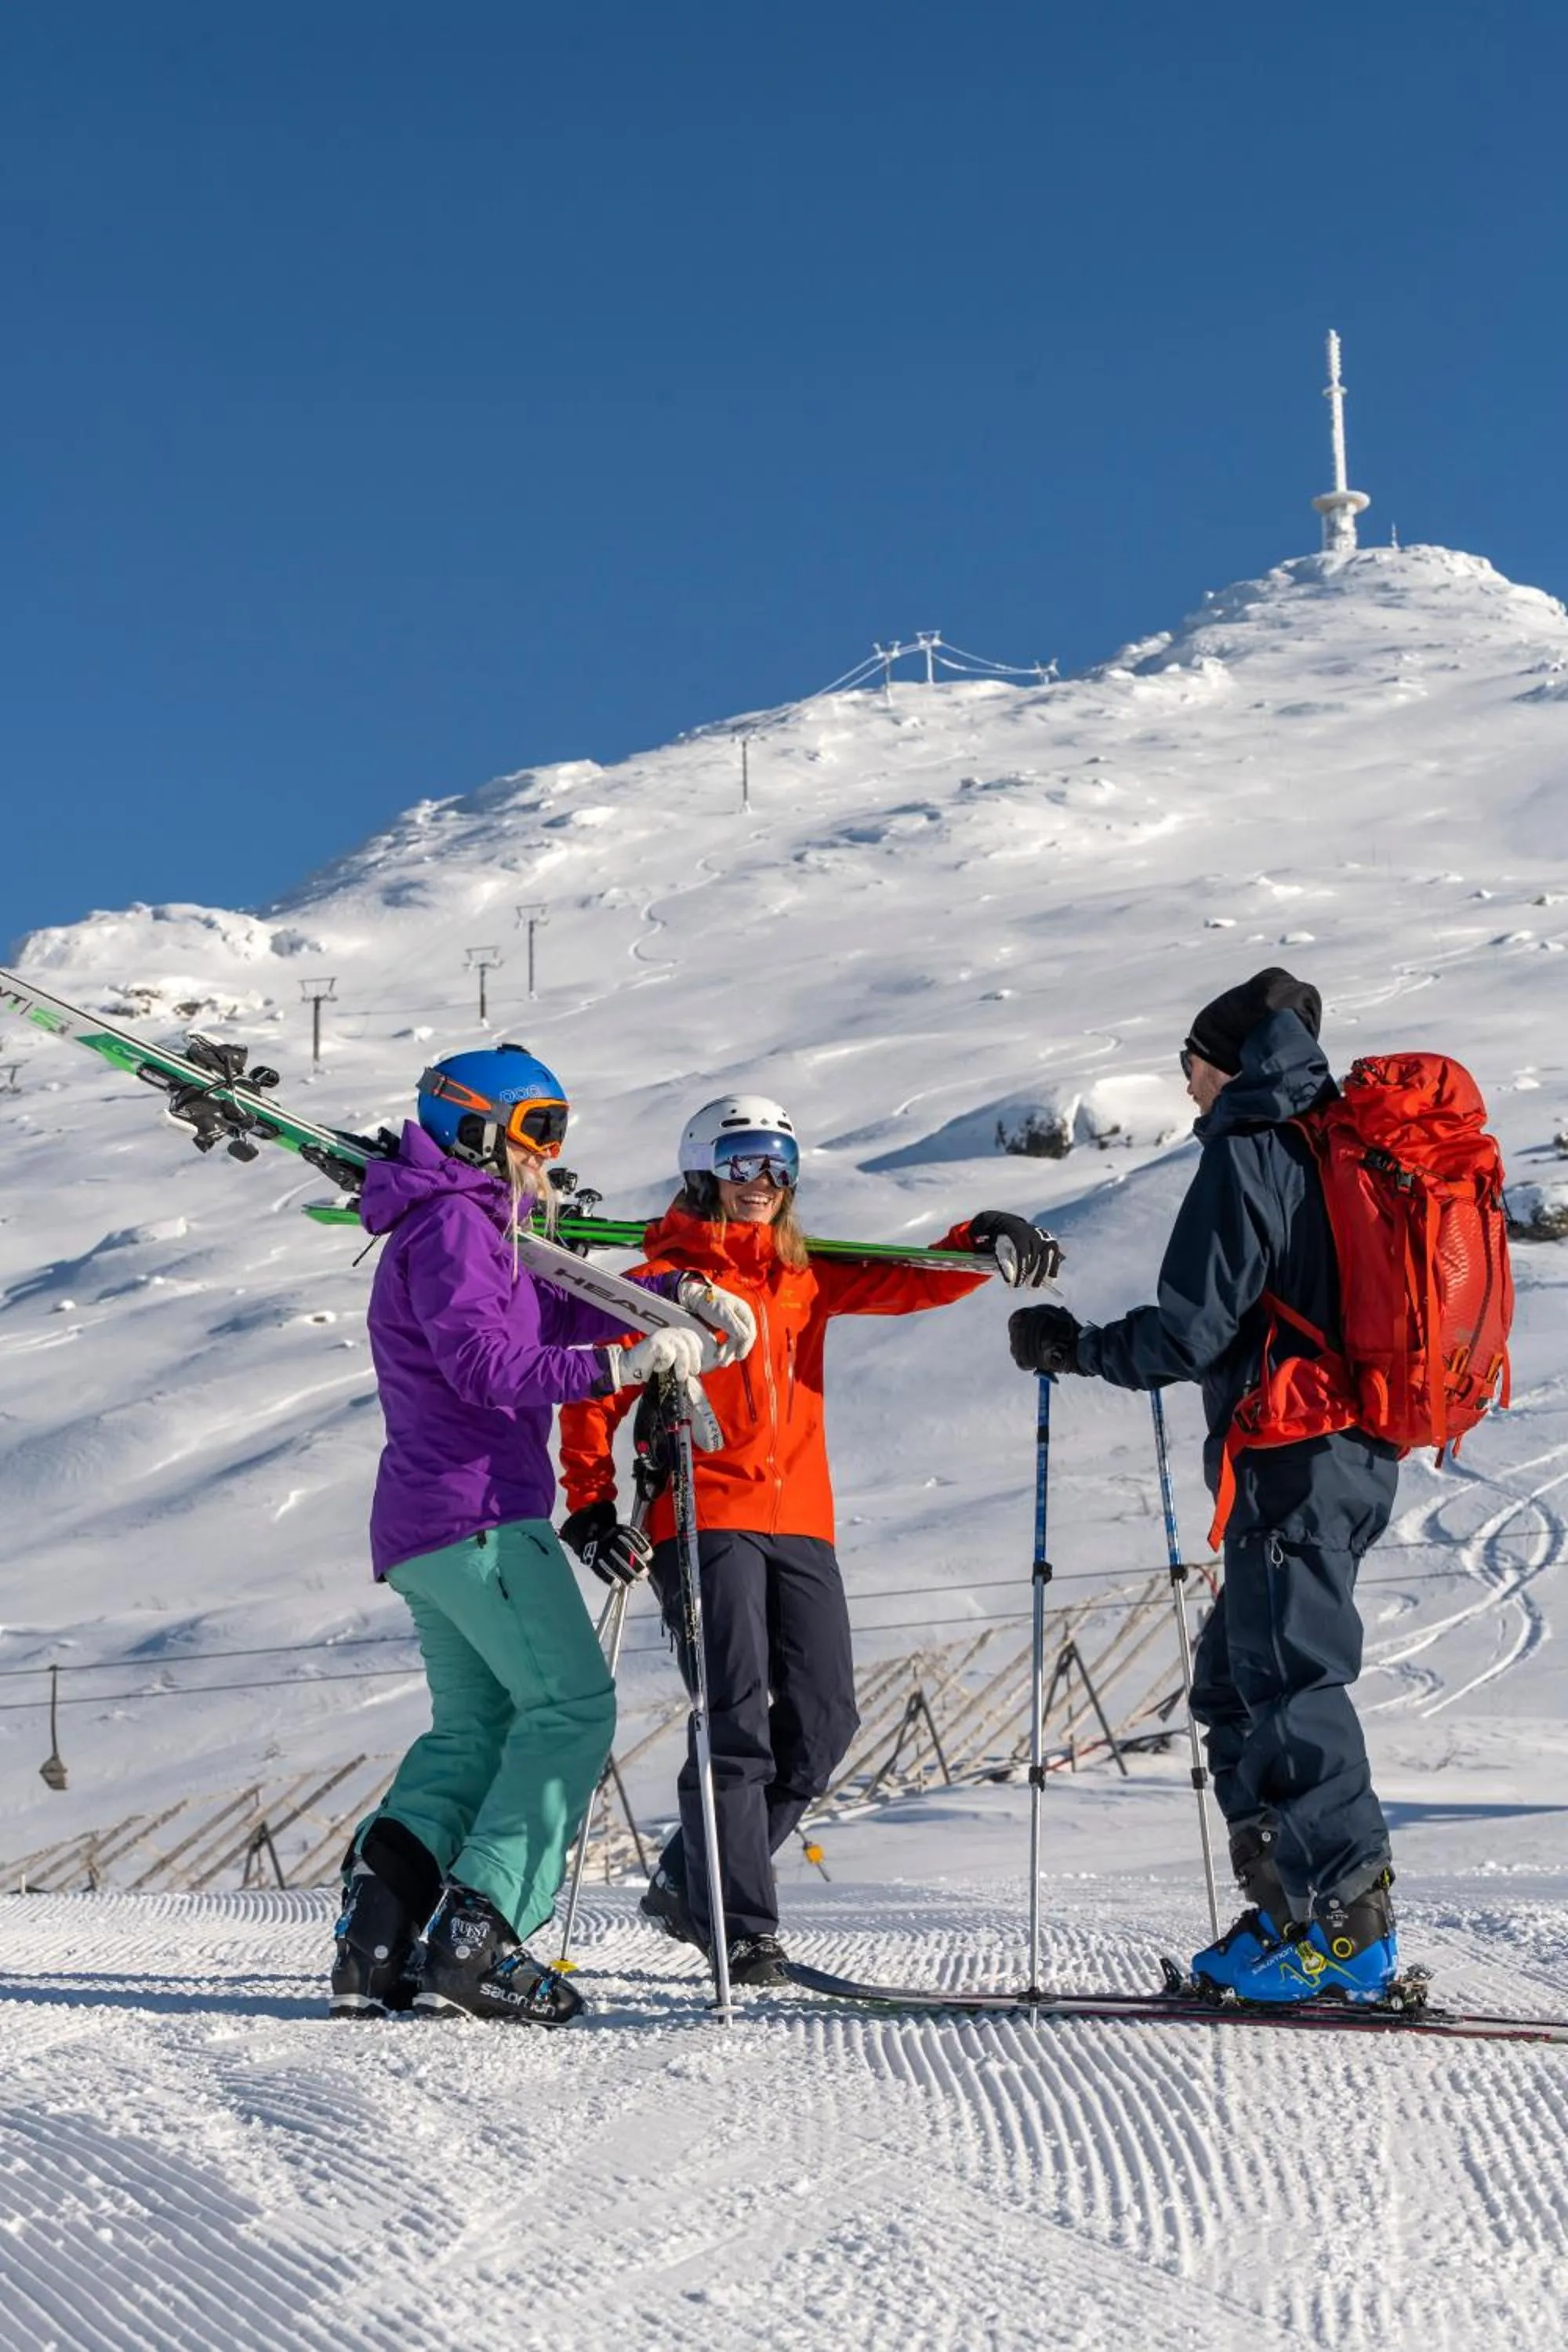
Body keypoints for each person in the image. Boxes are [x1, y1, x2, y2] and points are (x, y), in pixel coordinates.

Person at [557, 1092, 1062, 1987]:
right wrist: (591, 1505)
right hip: (702, 1518)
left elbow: (912, 1278)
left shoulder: (805, 1276)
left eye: (779, 1166)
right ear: (703, 1167)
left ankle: (689, 1879)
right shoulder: (663, 1282)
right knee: (736, 1723)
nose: (763, 1182)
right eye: (744, 1161)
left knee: (824, 1723)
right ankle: (740, 1928)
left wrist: (979, 1237)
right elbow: (592, 1396)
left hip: (801, 1525)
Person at [330, 1043, 751, 2025]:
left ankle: (377, 1938)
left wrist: (668, 1291)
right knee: (569, 1710)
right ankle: (478, 1935)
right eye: (537, 1129)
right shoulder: (453, 1228)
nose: (550, 1152)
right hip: (481, 1519)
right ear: (475, 1129)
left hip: (431, 1527)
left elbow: (555, 1303)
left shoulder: (468, 1226)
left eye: (558, 1128)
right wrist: (625, 1367)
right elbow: (487, 1364)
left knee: (475, 1729)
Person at [1007, 970, 1403, 2004]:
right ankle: (1292, 1912)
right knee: (1236, 1682)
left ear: (1217, 1062)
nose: (1184, 1089)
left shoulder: (1254, 1147)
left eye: (1186, 1066)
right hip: (1343, 1456)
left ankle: (1348, 1927)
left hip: (1295, 1456)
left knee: (1290, 1683)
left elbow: (1192, 1328)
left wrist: (1076, 1349)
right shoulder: (1332, 1137)